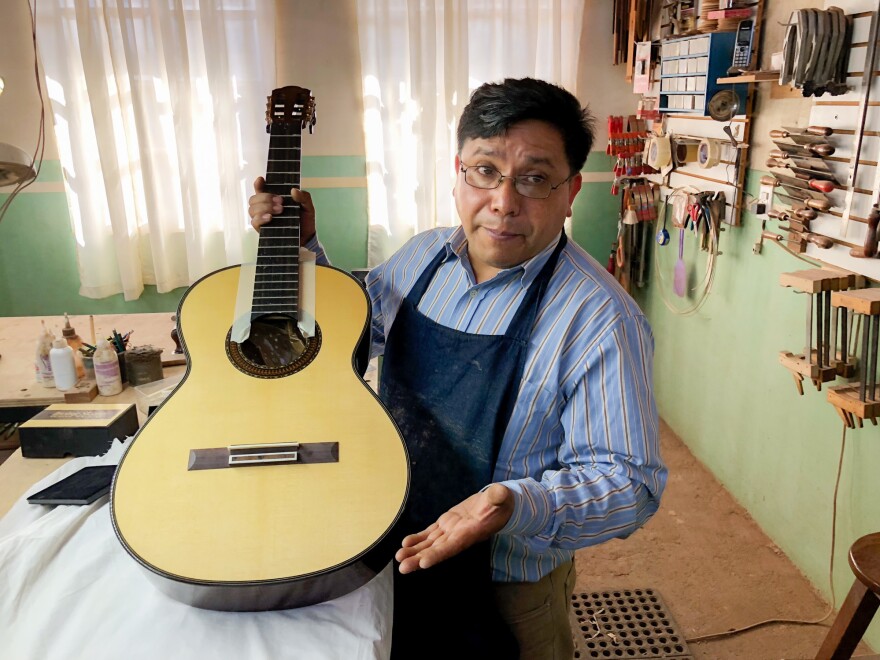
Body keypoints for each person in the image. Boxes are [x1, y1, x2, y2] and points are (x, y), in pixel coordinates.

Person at [249, 77, 667, 660]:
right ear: (458, 173)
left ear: (571, 192)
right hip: (387, 541)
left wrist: (515, 504)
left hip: (506, 588)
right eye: (486, 171)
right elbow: (349, 336)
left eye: (535, 178)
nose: (503, 201)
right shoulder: (422, 258)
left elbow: (632, 483)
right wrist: (306, 242)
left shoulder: (599, 320)